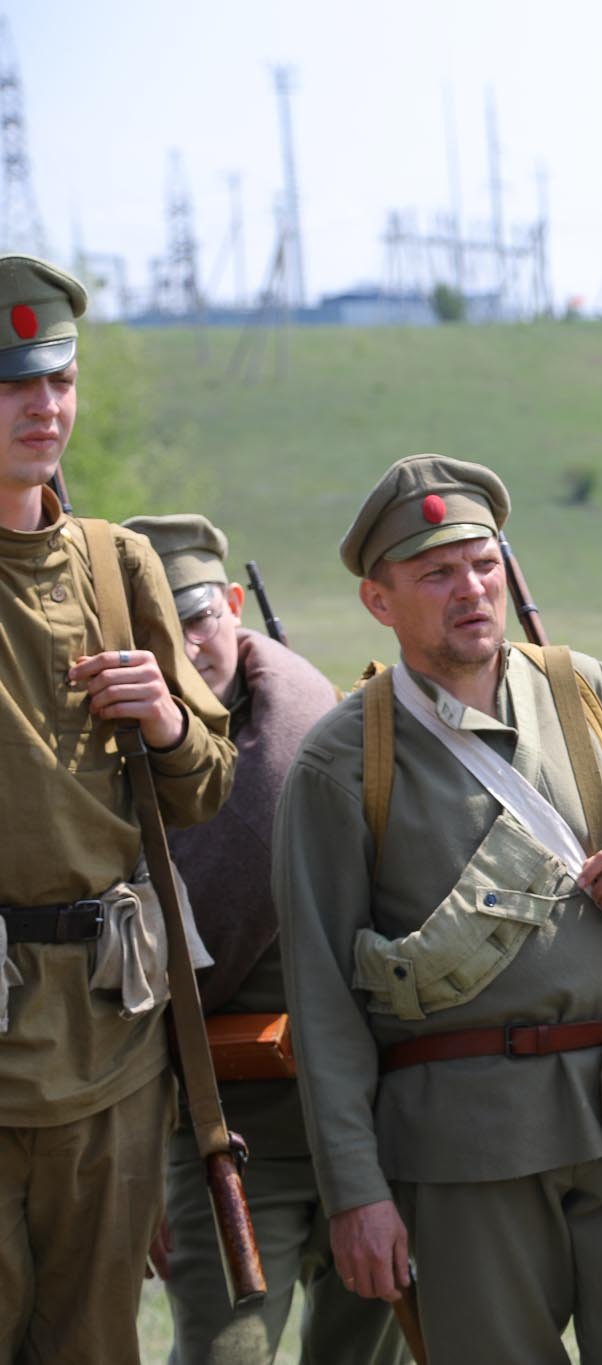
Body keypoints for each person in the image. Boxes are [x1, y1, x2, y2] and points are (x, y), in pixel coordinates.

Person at [273, 454, 602, 1365]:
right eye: (436, 573)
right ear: (379, 600)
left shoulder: (587, 693)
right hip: (463, 1143)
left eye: (483, 564)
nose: (470, 590)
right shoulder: (341, 760)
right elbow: (322, 1001)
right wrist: (358, 1191)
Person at [0, 255, 236, 1363]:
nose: (43, 408)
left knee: (95, 1342)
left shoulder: (115, 562)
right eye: (11, 385)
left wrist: (168, 724)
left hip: (108, 1027)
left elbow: (206, 787)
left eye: (58, 381)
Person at [124, 514, 404, 1365]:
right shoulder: (109, 762)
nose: (188, 644)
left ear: (236, 605)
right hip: (220, 1129)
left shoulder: (336, 731)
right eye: (157, 631)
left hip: (368, 1118)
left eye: (200, 615)